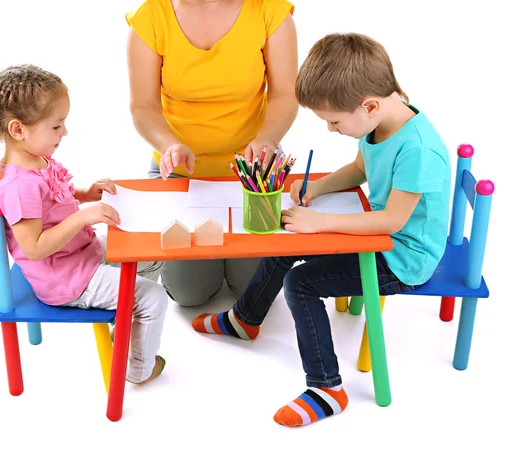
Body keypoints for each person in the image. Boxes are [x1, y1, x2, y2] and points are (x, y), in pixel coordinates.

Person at [191, 33, 451, 426]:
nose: (330, 130)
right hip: (380, 238)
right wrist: (319, 187)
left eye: (333, 121)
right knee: (286, 241)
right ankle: (246, 319)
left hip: (403, 259)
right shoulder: (380, 122)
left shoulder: (418, 150)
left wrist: (324, 222)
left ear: (370, 105)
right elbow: (362, 169)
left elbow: (392, 221)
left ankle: (327, 387)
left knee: (301, 283)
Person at [126, 0, 298, 306]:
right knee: (190, 293)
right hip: (182, 172)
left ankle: (226, 255)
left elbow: (284, 97)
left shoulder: (271, 10)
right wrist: (169, 145)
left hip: (253, 175)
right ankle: (182, 264)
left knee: (254, 290)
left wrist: (267, 140)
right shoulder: (151, 17)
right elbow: (143, 106)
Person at [0, 64, 168, 385]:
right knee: (153, 298)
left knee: (152, 250)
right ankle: (136, 369)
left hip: (82, 254)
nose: (64, 132)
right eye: (56, 126)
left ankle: (124, 321)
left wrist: (84, 194)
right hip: (67, 280)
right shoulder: (18, 185)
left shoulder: (35, 158)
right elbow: (34, 247)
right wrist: (83, 216)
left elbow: (54, 200)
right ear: (18, 130)